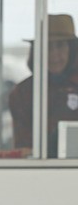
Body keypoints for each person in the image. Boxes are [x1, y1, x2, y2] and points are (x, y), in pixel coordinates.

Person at [9, 14, 78, 158]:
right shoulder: (23, 92)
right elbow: (24, 148)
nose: (54, 54)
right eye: (47, 47)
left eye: (60, 46)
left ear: (72, 49)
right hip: (40, 169)